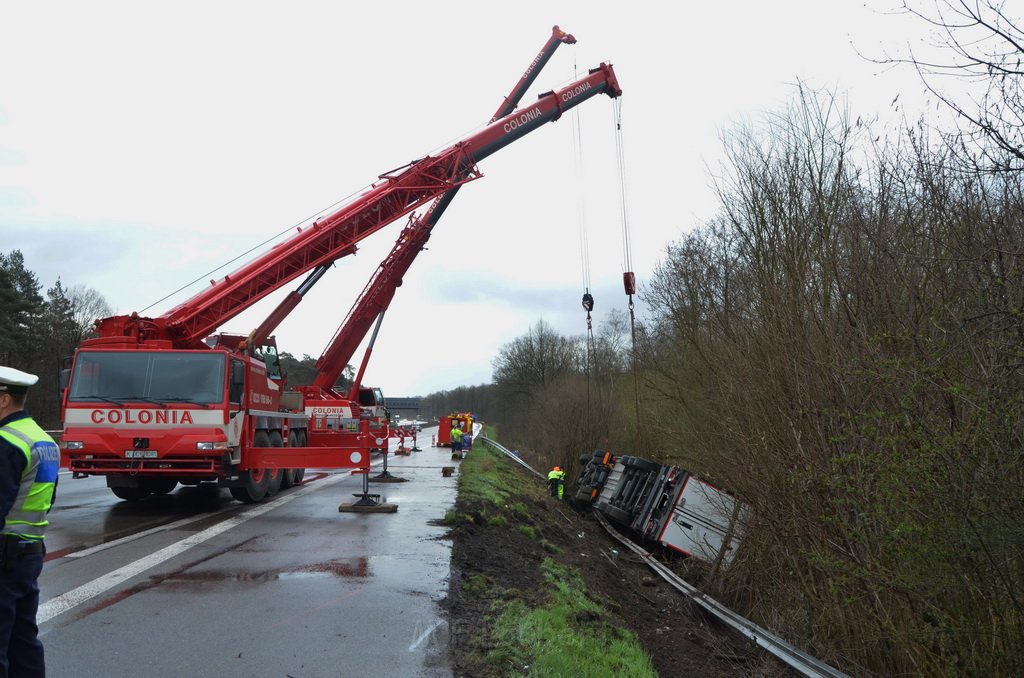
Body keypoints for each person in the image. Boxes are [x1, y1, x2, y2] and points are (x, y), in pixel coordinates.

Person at [0, 366, 59, 677]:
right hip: (29, 553)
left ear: (4, 399)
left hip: (4, 554)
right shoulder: (43, 440)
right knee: (23, 643)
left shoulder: (6, 441)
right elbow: (47, 501)